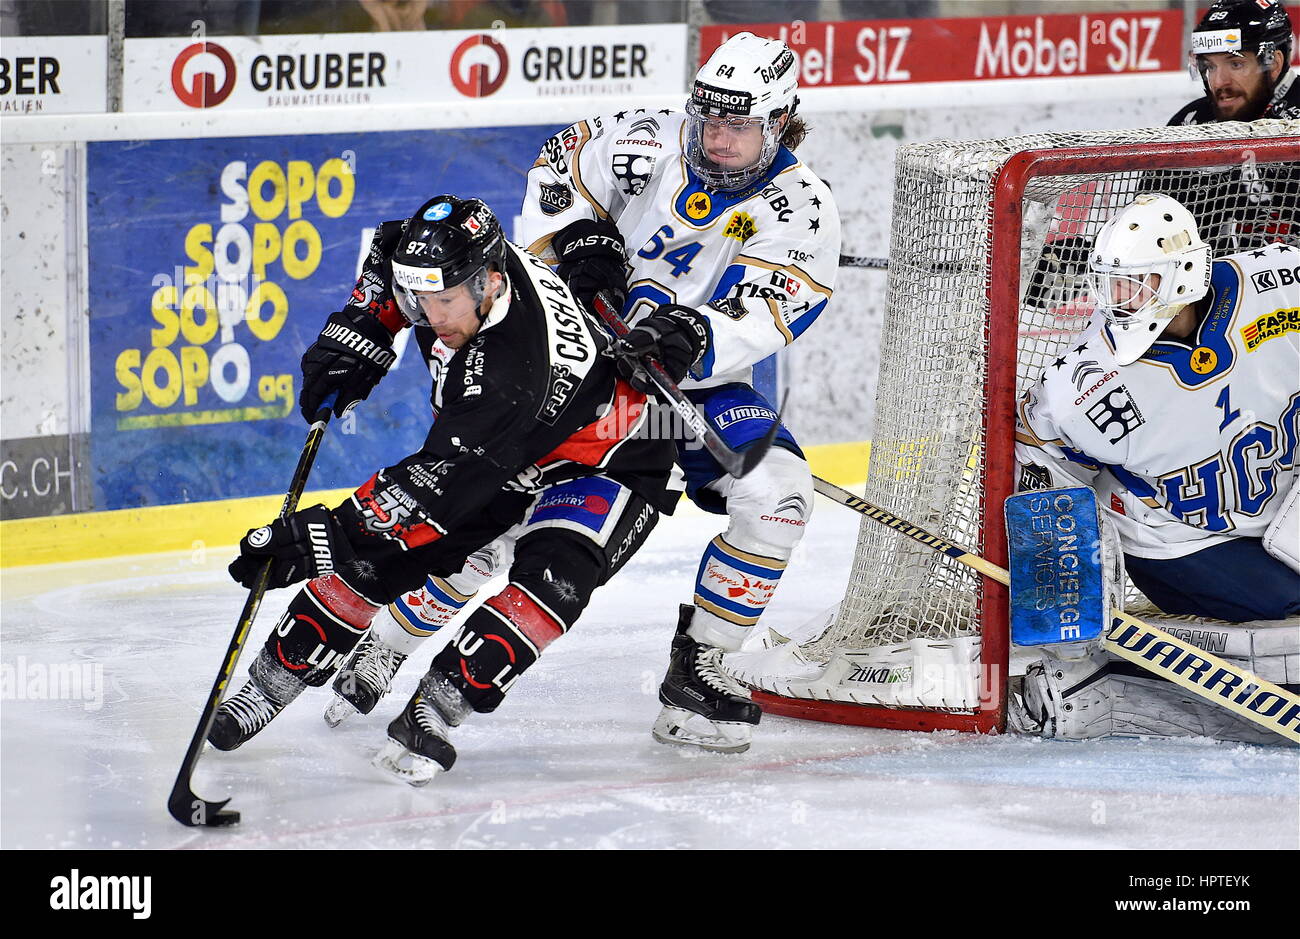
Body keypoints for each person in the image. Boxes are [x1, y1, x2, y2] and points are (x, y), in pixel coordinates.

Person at [327, 31, 841, 755]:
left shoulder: (804, 209)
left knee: (780, 494)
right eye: (709, 121)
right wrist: (577, 240)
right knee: (497, 515)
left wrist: (691, 334)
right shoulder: (645, 138)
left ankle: (700, 667)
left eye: (739, 126)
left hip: (689, 380)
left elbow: (774, 307)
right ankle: (388, 638)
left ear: (781, 123)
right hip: (571, 359)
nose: (717, 139)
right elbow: (559, 165)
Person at [209, 195, 678, 784]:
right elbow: (390, 245)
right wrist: (361, 328)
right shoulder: (463, 261)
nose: (432, 317)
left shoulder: (511, 376)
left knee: (552, 580)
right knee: (385, 563)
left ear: (489, 282)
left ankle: (438, 702)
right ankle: (267, 686)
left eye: (445, 301)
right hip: (509, 449)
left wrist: (315, 538)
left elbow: (430, 497)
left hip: (611, 455)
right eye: (419, 300)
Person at [1012, 193, 1300, 744]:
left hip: (1283, 501)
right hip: (1181, 540)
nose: (1119, 302)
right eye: (1111, 283)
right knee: (1290, 631)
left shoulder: (1280, 286)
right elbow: (1038, 463)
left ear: (1185, 274)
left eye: (1136, 283)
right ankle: (1098, 686)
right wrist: (1056, 582)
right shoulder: (1085, 385)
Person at [1170, 0, 1298, 125]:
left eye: (1235, 64)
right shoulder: (1191, 121)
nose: (1219, 82)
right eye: (1211, 67)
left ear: (1274, 64)